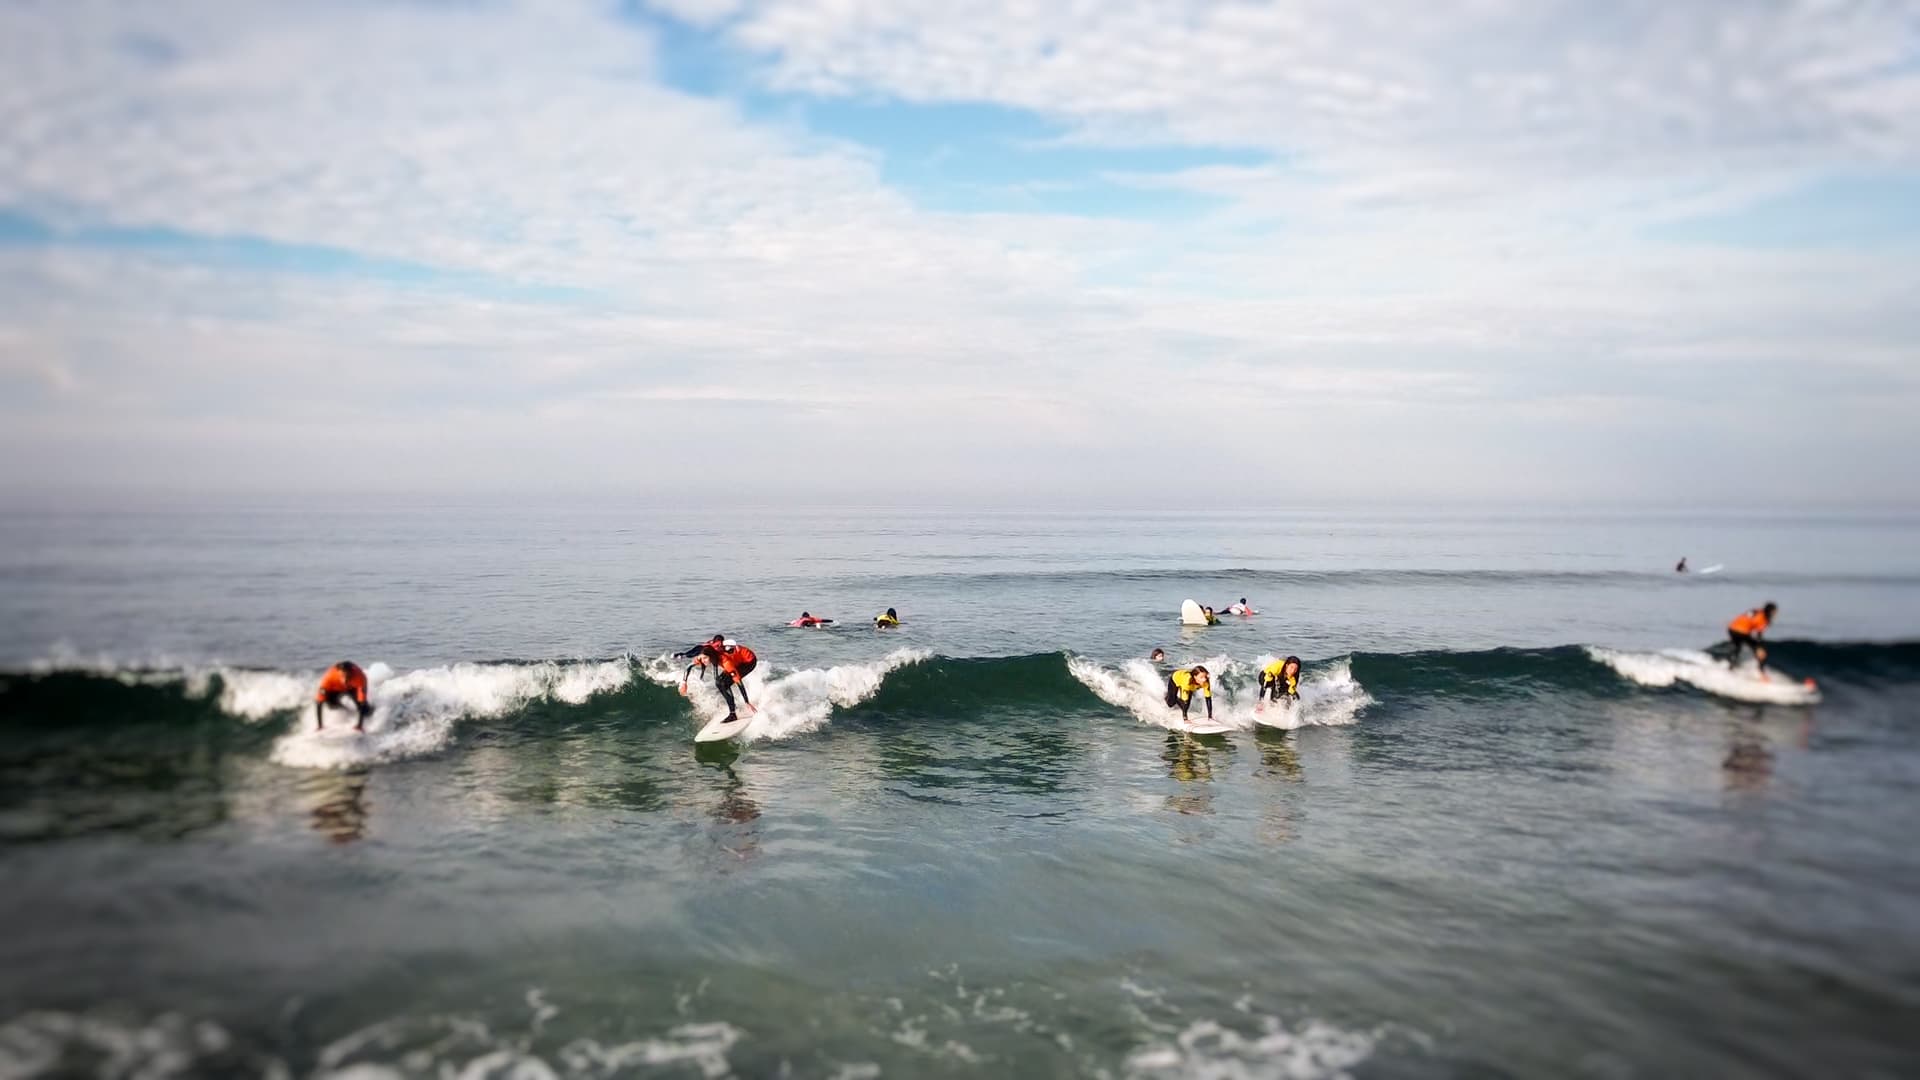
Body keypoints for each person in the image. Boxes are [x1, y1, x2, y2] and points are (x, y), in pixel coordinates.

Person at [676, 635, 760, 722]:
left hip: (748, 661)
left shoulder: (725, 661)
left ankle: (733, 714)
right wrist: (684, 682)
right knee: (720, 682)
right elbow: (689, 666)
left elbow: (738, 681)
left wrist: (747, 701)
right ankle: (733, 708)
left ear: (711, 657)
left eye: (705, 658)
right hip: (736, 660)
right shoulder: (704, 655)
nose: (703, 661)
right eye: (701, 658)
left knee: (722, 683)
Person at [314, 661, 372, 732]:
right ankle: (348, 712)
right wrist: (320, 726)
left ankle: (371, 710)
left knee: (365, 710)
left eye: (348, 676)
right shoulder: (329, 677)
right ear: (340, 673)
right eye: (343, 675)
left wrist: (359, 726)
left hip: (353, 688)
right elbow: (319, 703)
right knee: (331, 705)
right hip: (335, 688)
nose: (345, 679)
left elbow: (362, 702)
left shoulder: (359, 677)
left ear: (352, 673)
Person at [1726, 603, 1778, 674]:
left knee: (1737, 648)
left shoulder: (1757, 611)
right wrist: (1759, 647)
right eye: (1774, 611)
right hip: (1742, 632)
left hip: (1732, 628)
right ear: (1770, 611)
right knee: (1761, 652)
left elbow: (1745, 617)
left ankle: (1730, 667)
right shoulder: (1764, 619)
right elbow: (1759, 635)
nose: (1775, 613)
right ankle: (1761, 672)